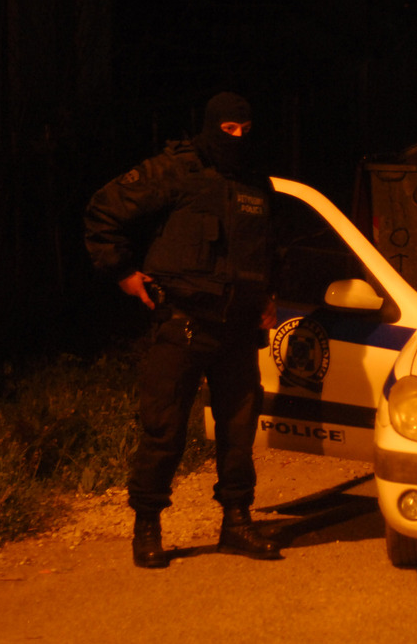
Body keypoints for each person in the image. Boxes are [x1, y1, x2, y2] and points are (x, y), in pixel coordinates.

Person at [84, 91, 280, 568]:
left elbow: (266, 249)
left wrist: (268, 296)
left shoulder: (257, 183)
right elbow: (104, 211)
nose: (237, 138)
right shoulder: (177, 169)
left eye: (245, 130)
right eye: (228, 129)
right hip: (183, 323)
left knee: (238, 433)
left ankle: (237, 523)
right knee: (164, 430)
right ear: (211, 127)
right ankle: (147, 527)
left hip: (237, 329)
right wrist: (122, 272)